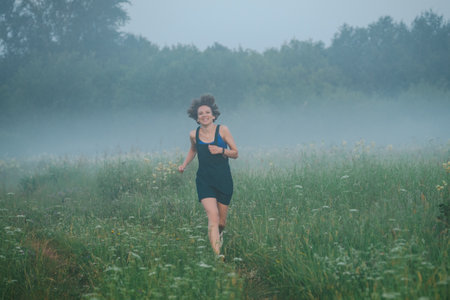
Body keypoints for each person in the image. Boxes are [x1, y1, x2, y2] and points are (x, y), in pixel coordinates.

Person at [178, 94, 238, 257]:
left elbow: (236, 153)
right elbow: (193, 150)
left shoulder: (223, 130)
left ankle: (220, 235)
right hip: (204, 180)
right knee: (212, 216)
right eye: (200, 114)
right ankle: (218, 257)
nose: (204, 115)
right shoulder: (193, 134)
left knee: (221, 222)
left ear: (213, 115)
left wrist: (221, 150)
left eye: (207, 112)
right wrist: (184, 164)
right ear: (197, 119)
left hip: (223, 180)